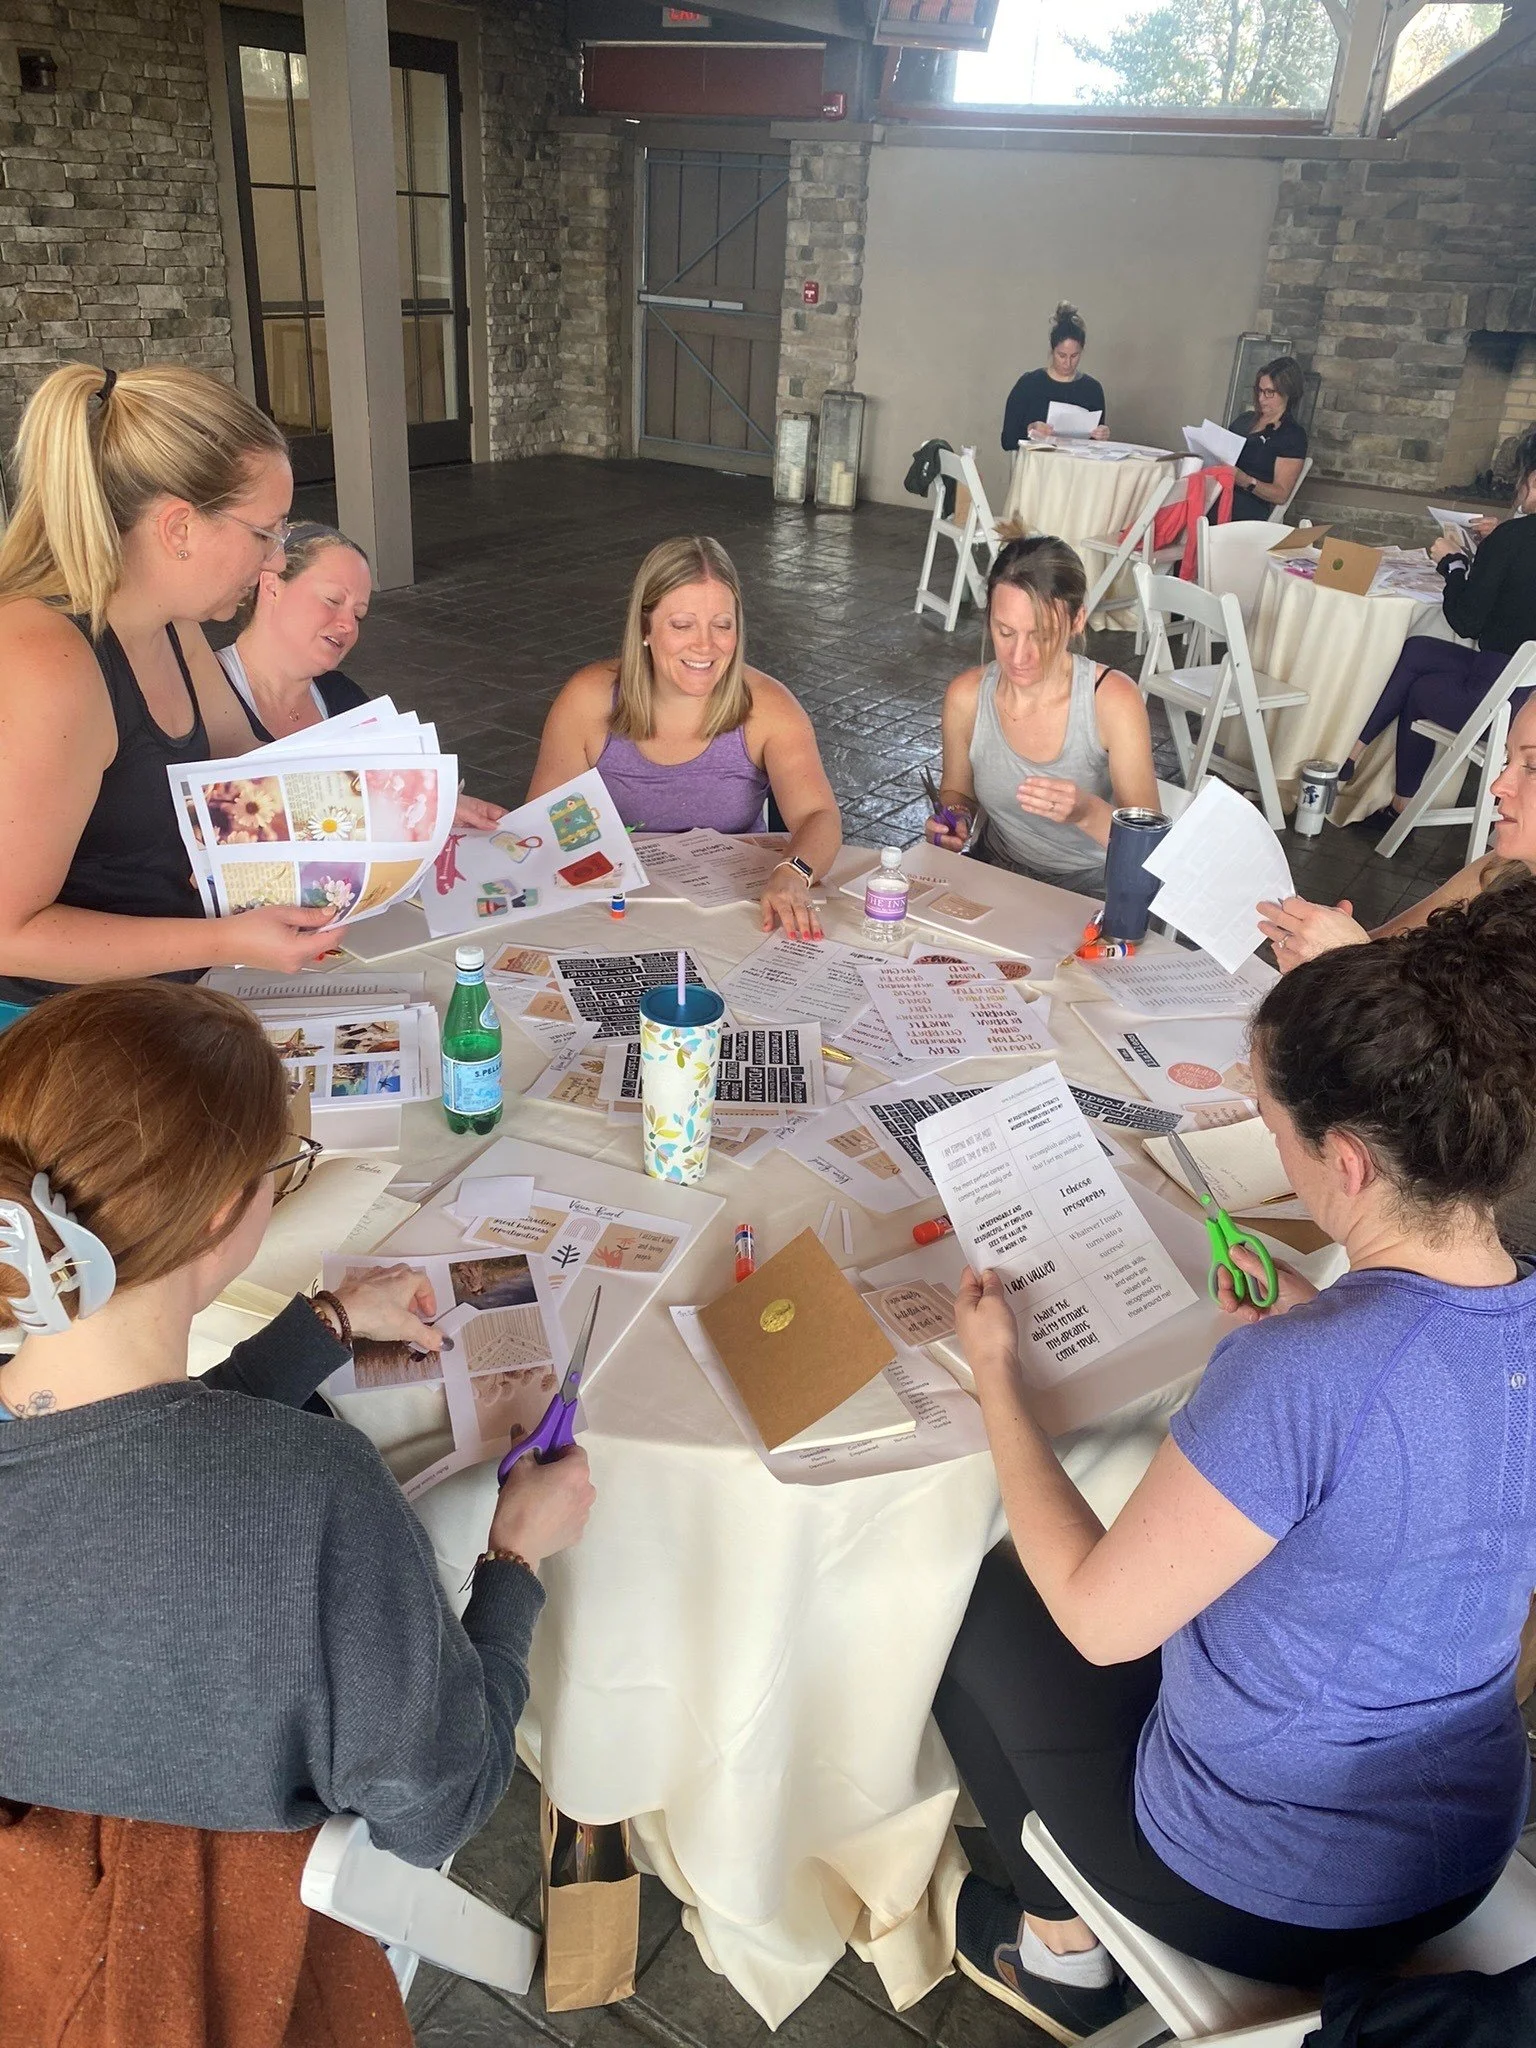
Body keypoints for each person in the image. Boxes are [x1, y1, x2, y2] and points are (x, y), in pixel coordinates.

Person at [936, 881, 1536, 2041]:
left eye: (1272, 1121)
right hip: (1466, 1839)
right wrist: (1317, 1315)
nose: (1270, 1141)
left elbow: (1100, 1623)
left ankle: (1061, 1955)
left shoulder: (1304, 1374)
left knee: (974, 1595)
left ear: (1346, 1160)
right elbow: (1426, 1446)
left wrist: (998, 1377)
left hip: (1273, 1891)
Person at [0, 978, 593, 1864]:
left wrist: (326, 1325)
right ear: (221, 1215)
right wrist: (516, 1559)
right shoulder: (313, 1492)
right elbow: (441, 1809)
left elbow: (123, 1448)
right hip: (237, 1891)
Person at [0, 363, 340, 1020]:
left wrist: (402, 801)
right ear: (179, 528)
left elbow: (242, 762)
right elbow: (8, 933)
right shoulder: (45, 662)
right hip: (58, 1031)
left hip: (168, 993)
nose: (276, 562)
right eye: (265, 534)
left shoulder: (169, 619)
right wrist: (226, 939)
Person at [528, 535, 842, 941]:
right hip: (613, 911)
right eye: (682, 625)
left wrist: (793, 873)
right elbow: (542, 824)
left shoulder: (769, 706)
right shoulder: (587, 699)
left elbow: (820, 815)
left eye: (722, 625)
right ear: (645, 628)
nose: (705, 645)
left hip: (736, 913)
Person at [190, 519, 504, 825]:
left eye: (359, 614)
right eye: (332, 600)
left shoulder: (345, 701)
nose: (348, 626)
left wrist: (439, 807)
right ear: (271, 586)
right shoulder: (197, 696)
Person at [925, 537, 1158, 894]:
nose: (1019, 656)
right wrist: (955, 817)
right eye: (1005, 632)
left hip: (1093, 888)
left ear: (1077, 620)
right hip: (996, 872)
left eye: (1043, 636)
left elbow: (1148, 846)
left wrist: (1086, 812)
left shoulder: (1112, 701)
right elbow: (957, 790)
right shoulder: (967, 697)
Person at [1337, 425, 1536, 822]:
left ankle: (1400, 807)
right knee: (1419, 649)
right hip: (1522, 685)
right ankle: (1353, 753)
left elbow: (1466, 621)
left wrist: (1453, 564)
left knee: (1421, 689)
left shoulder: (1513, 537)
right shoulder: (1512, 537)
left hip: (1502, 706)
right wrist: (1495, 543)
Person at [1001, 303, 1111, 451]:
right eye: (1062, 355)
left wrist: (1101, 435)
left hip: (1075, 463)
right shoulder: (1029, 384)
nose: (1068, 363)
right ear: (1052, 351)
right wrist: (1030, 429)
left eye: (1074, 356)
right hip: (1037, 464)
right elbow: (1007, 440)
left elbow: (1094, 445)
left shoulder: (1092, 389)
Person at [1227, 356, 1308, 522]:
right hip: (1219, 491)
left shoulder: (1292, 435)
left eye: (1269, 392)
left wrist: (1246, 481)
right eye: (1259, 390)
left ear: (1287, 393)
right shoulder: (1244, 420)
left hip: (1246, 507)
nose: (1261, 398)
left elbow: (1281, 494)